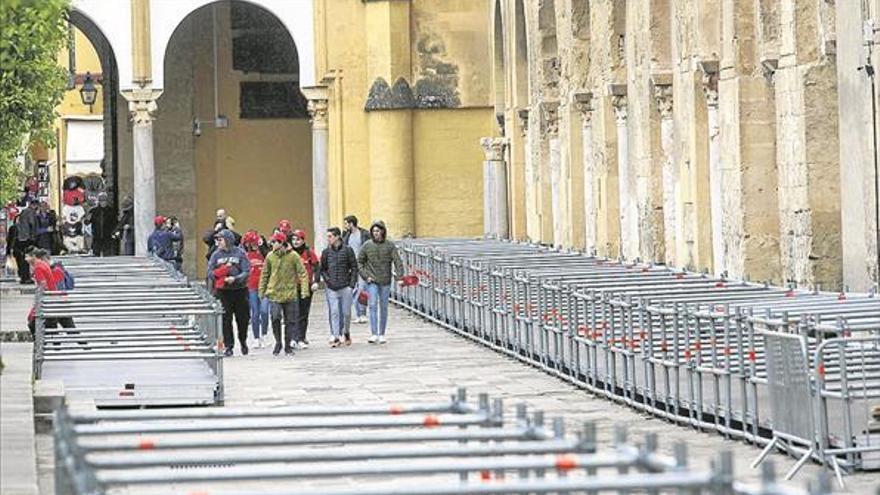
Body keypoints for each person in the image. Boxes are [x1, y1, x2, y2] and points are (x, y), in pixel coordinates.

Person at [259, 231, 310, 356]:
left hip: (290, 293)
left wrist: (304, 290)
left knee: (290, 321)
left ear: (281, 243)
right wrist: (262, 291)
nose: (272, 244)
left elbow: (302, 273)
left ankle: (287, 345)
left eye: (275, 242)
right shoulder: (270, 256)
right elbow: (265, 274)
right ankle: (278, 342)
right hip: (274, 293)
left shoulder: (293, 256)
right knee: (275, 317)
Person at [357, 220, 404, 344]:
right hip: (372, 280)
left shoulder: (390, 245)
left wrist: (400, 277)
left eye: (378, 231)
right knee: (372, 305)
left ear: (382, 231)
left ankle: (382, 333)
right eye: (374, 231)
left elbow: (398, 262)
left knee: (383, 307)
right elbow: (359, 262)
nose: (376, 233)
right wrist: (365, 276)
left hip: (385, 280)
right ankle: (373, 333)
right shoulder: (367, 245)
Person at [207, 229, 251, 357]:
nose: (218, 242)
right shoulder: (216, 255)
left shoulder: (240, 253)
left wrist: (236, 279)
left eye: (220, 240)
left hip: (239, 291)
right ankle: (229, 346)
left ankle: (243, 340)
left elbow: (246, 271)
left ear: (228, 240)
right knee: (226, 320)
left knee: (242, 319)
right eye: (217, 240)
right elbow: (210, 271)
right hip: (223, 292)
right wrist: (218, 276)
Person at [320, 227, 358, 347]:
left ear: (337, 237)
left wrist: (352, 284)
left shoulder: (348, 250)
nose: (328, 239)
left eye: (330, 236)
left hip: (345, 285)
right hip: (332, 286)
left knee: (346, 312)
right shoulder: (326, 252)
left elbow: (354, 267)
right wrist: (327, 280)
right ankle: (336, 336)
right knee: (334, 312)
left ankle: (346, 332)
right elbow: (323, 269)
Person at [290, 229, 320, 349]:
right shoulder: (289, 252)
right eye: (293, 239)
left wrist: (316, 281)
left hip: (306, 286)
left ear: (303, 240)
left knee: (303, 312)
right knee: (293, 312)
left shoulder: (309, 253)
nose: (295, 242)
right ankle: (293, 338)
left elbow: (317, 267)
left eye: (298, 239)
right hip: (292, 286)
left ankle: (301, 337)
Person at [242, 230, 269, 348]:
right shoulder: (244, 255)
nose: (252, 245)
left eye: (253, 243)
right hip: (251, 287)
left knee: (264, 311)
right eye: (250, 243)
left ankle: (265, 334)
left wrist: (261, 245)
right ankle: (256, 337)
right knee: (255, 313)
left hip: (264, 287)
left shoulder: (263, 254)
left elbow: (268, 255)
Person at [343, 215, 370, 323]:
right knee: (353, 290)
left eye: (346, 223)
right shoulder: (346, 235)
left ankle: (363, 313)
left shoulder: (364, 234)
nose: (345, 226)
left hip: (362, 265)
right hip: (351, 266)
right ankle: (358, 314)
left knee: (362, 289)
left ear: (351, 223)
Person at [14, 200, 39, 284]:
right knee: (27, 258)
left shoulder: (23, 212)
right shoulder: (30, 212)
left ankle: (23, 276)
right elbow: (32, 224)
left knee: (23, 258)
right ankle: (26, 277)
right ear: (34, 205)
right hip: (27, 238)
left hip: (21, 238)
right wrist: (33, 237)